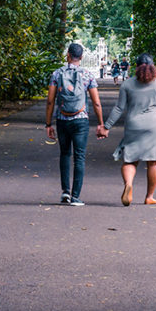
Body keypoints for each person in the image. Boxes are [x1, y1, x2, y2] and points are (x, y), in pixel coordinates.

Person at [97, 54, 156, 206]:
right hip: (155, 126)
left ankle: (128, 184)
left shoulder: (127, 85)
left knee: (130, 160)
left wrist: (106, 127)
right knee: (153, 162)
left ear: (136, 66)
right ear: (153, 66)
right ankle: (149, 197)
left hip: (134, 125)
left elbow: (119, 108)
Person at [45, 43, 104, 206]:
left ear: (68, 55)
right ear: (82, 57)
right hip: (81, 120)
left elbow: (50, 101)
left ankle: (65, 192)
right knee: (79, 157)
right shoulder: (87, 75)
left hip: (62, 120)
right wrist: (101, 124)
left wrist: (48, 123)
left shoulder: (57, 74)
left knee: (65, 154)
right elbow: (96, 102)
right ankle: (76, 196)